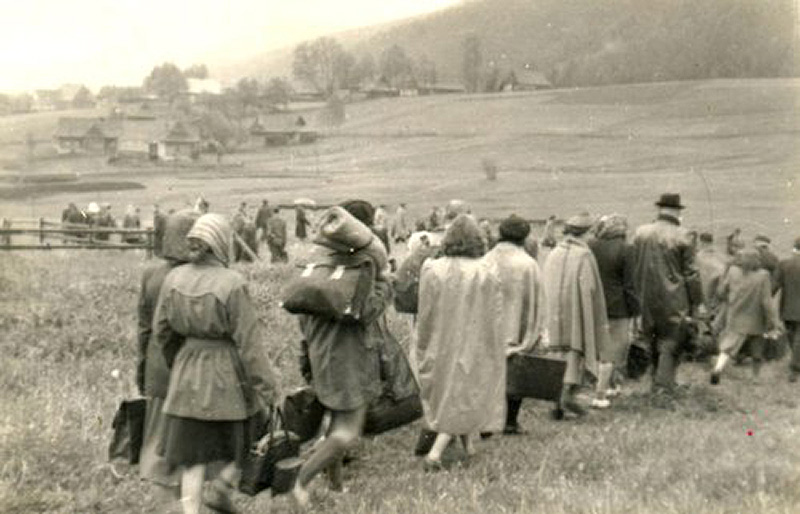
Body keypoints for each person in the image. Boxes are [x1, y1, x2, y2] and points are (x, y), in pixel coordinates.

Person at [154, 213, 282, 514]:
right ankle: (223, 489)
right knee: (240, 446)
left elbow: (162, 333)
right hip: (228, 379)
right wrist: (268, 386)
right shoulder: (233, 283)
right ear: (222, 243)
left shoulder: (173, 278)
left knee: (192, 459)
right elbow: (250, 344)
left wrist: (180, 364)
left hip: (186, 376)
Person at [291, 202, 392, 507]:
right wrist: (385, 285)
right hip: (348, 359)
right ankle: (299, 481)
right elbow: (367, 312)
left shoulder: (318, 270)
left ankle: (336, 485)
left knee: (335, 422)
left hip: (320, 354)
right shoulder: (360, 272)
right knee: (347, 431)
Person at [413, 215, 505, 469]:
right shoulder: (486, 271)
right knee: (463, 392)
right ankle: (435, 453)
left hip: (440, 339)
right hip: (472, 339)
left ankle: (468, 446)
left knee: (449, 390)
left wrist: (423, 342)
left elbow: (426, 311)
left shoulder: (431, 268)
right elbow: (493, 314)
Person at [137, 210, 199, 512]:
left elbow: (144, 328)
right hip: (191, 367)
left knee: (158, 442)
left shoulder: (151, 273)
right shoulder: (199, 275)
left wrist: (141, 369)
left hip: (157, 365)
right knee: (188, 445)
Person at [632, 193, 705, 394]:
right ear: (677, 211)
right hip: (674, 296)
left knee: (651, 338)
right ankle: (663, 386)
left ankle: (655, 382)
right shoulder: (685, 235)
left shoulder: (641, 232)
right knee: (671, 341)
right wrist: (697, 301)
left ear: (660, 209)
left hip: (644, 295)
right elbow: (691, 273)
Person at [483, 215, 546, 433]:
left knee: (487, 373)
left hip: (488, 327)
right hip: (517, 327)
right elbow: (536, 299)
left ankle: (485, 422)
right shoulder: (528, 264)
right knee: (515, 372)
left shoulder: (486, 259)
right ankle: (510, 421)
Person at [542, 212, 610, 415]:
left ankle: (559, 399)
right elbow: (590, 288)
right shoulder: (584, 255)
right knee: (575, 347)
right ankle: (567, 397)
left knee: (559, 353)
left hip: (555, 312)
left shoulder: (555, 252)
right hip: (576, 310)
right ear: (586, 232)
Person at [710, 249, 782, 384]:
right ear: (757, 261)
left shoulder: (733, 271)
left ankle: (718, 368)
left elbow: (721, 291)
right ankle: (755, 378)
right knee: (757, 349)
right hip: (756, 317)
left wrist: (729, 300)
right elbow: (766, 301)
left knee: (728, 346)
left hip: (735, 314)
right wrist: (773, 320)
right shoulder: (763, 275)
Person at [589, 214, 639, 405]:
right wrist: (636, 310)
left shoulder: (592, 245)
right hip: (618, 307)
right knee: (613, 351)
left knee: (600, 348)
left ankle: (609, 386)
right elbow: (630, 285)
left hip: (595, 303)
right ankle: (600, 395)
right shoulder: (627, 249)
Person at [774, 237, 800, 382]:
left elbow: (774, 285)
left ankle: (795, 362)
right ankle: (795, 366)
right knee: (798, 338)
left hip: (787, 307)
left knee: (792, 335)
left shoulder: (784, 263)